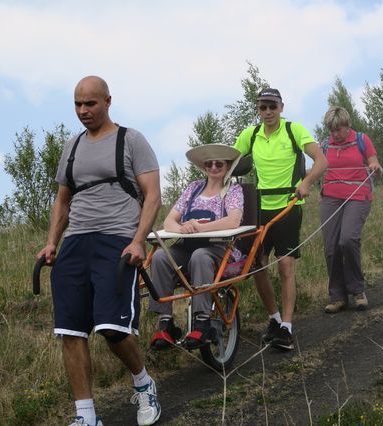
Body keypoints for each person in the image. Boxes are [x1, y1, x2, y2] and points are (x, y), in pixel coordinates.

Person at [36, 76, 162, 426]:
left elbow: (152, 195)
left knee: (111, 327)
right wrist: (51, 242)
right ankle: (86, 416)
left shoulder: (131, 140)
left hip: (117, 240)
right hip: (76, 241)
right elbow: (63, 200)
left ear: (107, 101)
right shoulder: (73, 146)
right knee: (71, 331)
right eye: (77, 104)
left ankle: (143, 383)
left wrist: (138, 240)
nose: (83, 111)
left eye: (90, 104)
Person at [234, 88, 327, 350]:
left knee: (285, 266)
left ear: (281, 107)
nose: (267, 112)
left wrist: (307, 182)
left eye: (272, 106)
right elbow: (229, 161)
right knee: (257, 266)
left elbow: (321, 160)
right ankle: (273, 319)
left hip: (289, 203)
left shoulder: (294, 130)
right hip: (259, 206)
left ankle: (287, 327)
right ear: (258, 109)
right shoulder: (250, 135)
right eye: (263, 107)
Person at [148, 144, 243, 350]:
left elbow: (234, 221)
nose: (214, 167)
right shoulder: (193, 188)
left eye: (219, 163)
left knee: (200, 256)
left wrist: (200, 228)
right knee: (159, 257)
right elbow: (169, 221)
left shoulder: (233, 190)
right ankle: (165, 322)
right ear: (204, 167)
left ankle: (202, 320)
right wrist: (182, 229)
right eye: (209, 163)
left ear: (227, 166)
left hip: (219, 247)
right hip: (187, 245)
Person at [319, 106, 383, 314]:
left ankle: (357, 291)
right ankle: (338, 296)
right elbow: (316, 169)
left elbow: (374, 164)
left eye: (339, 129)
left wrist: (375, 168)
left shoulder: (362, 140)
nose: (335, 134)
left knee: (347, 239)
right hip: (331, 197)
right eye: (332, 130)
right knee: (331, 247)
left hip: (358, 195)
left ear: (348, 126)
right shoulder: (325, 145)